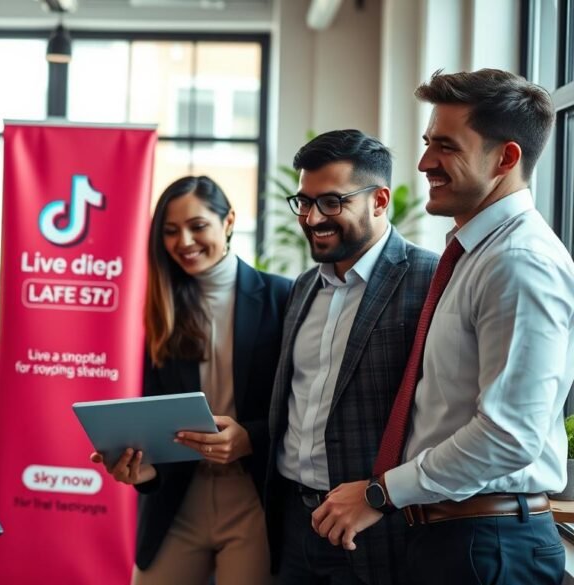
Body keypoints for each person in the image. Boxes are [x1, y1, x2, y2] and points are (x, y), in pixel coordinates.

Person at [313, 69, 574, 585]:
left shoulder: (519, 261)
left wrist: (379, 492)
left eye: (447, 146)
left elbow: (508, 437)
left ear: (506, 158)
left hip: (489, 547)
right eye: (429, 141)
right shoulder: (471, 255)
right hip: (455, 539)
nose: (424, 161)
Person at [91, 176, 291, 584]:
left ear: (229, 221)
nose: (184, 241)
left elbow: (306, 407)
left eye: (197, 226)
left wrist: (250, 437)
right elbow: (151, 418)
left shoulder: (284, 298)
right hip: (177, 502)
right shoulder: (156, 310)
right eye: (170, 231)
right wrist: (141, 471)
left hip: (252, 498)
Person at [265, 129, 438, 585]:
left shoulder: (432, 279)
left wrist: (383, 499)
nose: (311, 217)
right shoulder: (303, 287)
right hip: (293, 521)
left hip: (378, 529)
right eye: (303, 201)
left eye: (331, 202)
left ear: (379, 201)